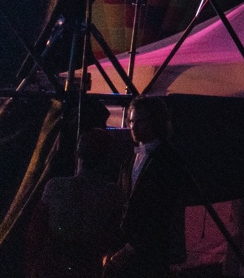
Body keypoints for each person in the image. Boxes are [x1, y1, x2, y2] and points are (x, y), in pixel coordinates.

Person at [103, 97, 186, 278]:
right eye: (131, 121)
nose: (133, 126)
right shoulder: (129, 159)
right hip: (124, 247)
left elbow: (162, 212)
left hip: (150, 253)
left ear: (156, 121)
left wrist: (131, 248)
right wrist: (113, 246)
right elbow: (121, 203)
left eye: (140, 121)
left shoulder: (168, 160)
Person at [26, 129, 123, 278]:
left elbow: (35, 234)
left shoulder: (54, 187)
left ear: (77, 154)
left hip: (53, 269)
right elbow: (112, 238)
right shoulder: (112, 194)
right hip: (89, 269)